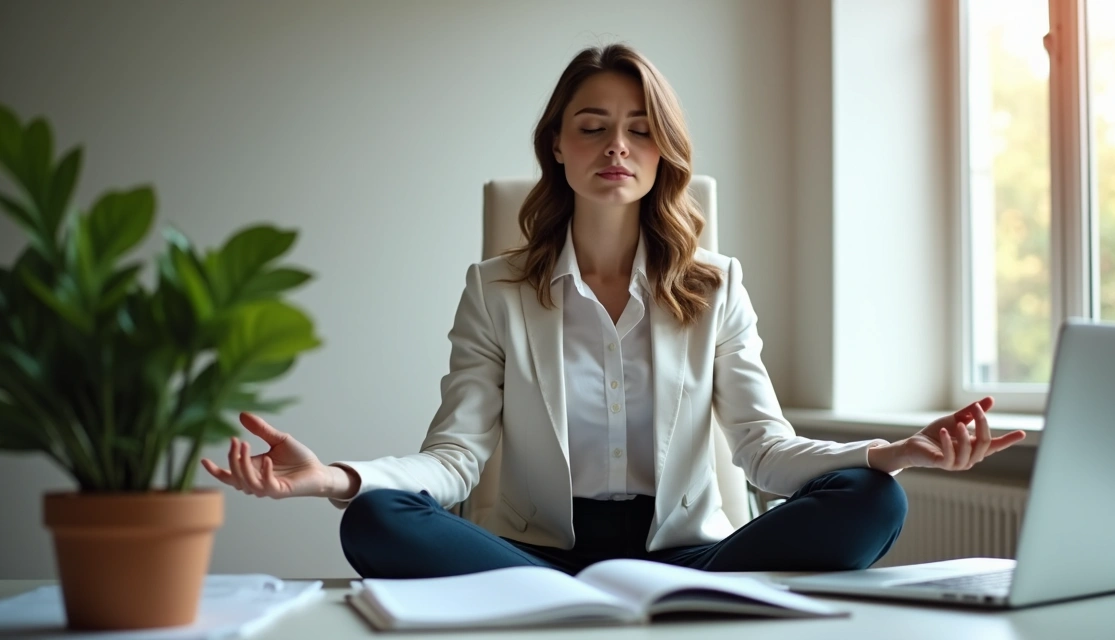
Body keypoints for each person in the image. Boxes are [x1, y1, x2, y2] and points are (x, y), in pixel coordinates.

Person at [202, 43, 1026, 579]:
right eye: (592, 127)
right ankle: (574, 598)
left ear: (662, 151)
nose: (616, 148)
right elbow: (454, 460)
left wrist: (894, 452)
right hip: (535, 557)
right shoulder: (495, 289)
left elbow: (765, 454)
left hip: (687, 558)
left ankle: (642, 600)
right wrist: (334, 479)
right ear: (557, 147)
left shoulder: (716, 285)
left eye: (638, 129)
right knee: (376, 519)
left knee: (876, 501)